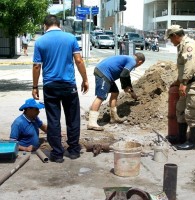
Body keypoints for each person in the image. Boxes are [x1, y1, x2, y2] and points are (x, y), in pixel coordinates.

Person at [32, 15, 89, 163]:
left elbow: (37, 66)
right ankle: (74, 151)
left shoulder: (40, 42)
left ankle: (57, 154)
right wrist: (85, 79)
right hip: (68, 85)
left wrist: (34, 86)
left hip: (50, 86)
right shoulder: (70, 38)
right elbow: (78, 60)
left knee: (53, 120)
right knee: (73, 119)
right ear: (59, 25)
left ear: (45, 26)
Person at [165, 25, 195, 150]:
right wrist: (178, 82)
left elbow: (190, 64)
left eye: (170, 38)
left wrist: (183, 83)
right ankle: (182, 138)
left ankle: (192, 143)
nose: (170, 41)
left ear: (175, 36)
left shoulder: (189, 44)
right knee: (180, 109)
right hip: (187, 82)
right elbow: (183, 68)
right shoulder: (181, 46)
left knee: (191, 110)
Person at [87, 53, 145, 131]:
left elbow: (127, 76)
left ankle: (113, 117)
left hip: (106, 73)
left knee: (115, 92)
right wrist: (125, 87)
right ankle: (92, 123)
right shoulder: (132, 62)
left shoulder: (128, 58)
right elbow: (123, 75)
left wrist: (130, 89)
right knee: (101, 96)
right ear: (140, 62)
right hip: (104, 73)